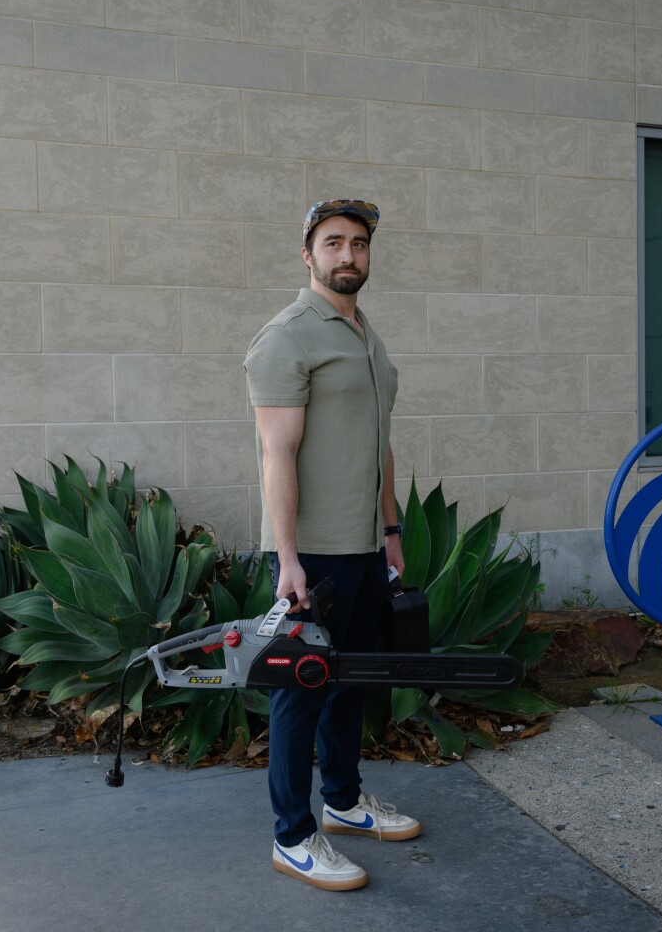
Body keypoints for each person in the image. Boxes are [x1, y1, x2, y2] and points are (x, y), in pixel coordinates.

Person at [244, 198, 420, 892]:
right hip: (311, 552)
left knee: (352, 683)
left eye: (358, 244)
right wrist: (288, 560)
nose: (348, 255)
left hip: (365, 547)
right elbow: (276, 454)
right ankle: (292, 835)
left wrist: (391, 529)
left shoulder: (365, 335)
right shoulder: (287, 338)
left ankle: (343, 802)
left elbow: (379, 446)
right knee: (302, 693)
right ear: (307, 254)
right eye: (332, 243)